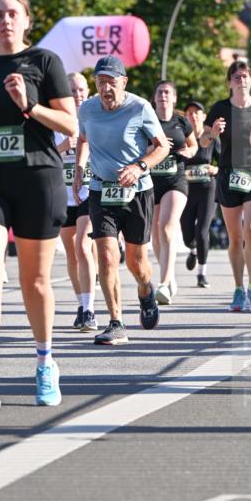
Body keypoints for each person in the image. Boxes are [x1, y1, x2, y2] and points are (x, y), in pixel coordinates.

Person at [0, 0, 76, 410]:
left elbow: (69, 124)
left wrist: (30, 105)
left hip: (36, 180)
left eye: (13, 13)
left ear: (27, 20)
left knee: (35, 280)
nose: (5, 20)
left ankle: (46, 362)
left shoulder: (45, 62)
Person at [74, 55, 170, 345]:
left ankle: (145, 289)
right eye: (101, 83)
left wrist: (139, 166)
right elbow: (83, 139)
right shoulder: (87, 109)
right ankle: (116, 321)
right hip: (101, 190)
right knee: (105, 254)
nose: (106, 89)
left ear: (124, 83)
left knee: (136, 262)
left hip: (137, 191)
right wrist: (80, 167)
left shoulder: (139, 107)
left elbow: (162, 147)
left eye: (112, 83)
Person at [203, 59, 251, 312]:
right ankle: (239, 289)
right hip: (229, 176)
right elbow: (204, 141)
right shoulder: (220, 108)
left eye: (245, 76)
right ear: (229, 82)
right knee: (235, 237)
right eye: (237, 77)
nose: (242, 80)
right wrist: (213, 133)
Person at [55, 71, 97, 332]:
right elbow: (41, 156)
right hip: (63, 193)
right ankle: (81, 304)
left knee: (83, 245)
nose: (77, 95)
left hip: (91, 191)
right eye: (72, 90)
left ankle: (91, 309)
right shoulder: (55, 121)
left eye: (81, 90)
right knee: (72, 252)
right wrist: (63, 146)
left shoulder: (96, 117)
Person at [150, 80, 197, 304]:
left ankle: (164, 283)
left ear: (174, 98)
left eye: (168, 92)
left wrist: (189, 152)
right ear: (155, 97)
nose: (163, 96)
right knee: (156, 235)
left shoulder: (181, 122)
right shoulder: (147, 119)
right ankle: (169, 278)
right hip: (151, 181)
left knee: (167, 226)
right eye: (160, 92)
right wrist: (155, 148)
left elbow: (194, 145)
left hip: (175, 179)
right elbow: (137, 148)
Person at [180, 100, 219, 288]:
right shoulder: (182, 137)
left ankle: (201, 273)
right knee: (187, 233)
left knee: (202, 231)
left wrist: (216, 169)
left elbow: (224, 160)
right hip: (186, 190)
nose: (193, 115)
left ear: (204, 117)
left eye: (197, 112)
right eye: (189, 113)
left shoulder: (211, 136)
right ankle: (192, 249)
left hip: (207, 188)